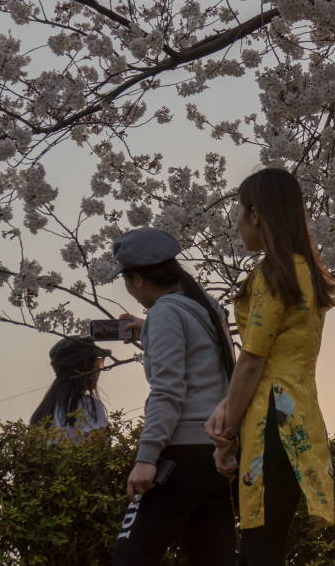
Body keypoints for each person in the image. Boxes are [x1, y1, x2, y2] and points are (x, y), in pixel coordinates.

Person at [206, 167, 335, 565]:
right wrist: (226, 408)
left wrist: (226, 431)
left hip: (269, 425)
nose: (237, 223)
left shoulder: (273, 275)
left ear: (256, 214)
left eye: (239, 212)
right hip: (301, 419)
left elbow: (252, 361)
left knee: (259, 549)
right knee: (268, 546)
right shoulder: (306, 272)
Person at [110, 227, 238, 566]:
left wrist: (146, 458)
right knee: (212, 558)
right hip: (215, 454)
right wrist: (148, 328)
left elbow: (167, 391)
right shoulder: (205, 305)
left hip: (178, 456)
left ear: (137, 279)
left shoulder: (166, 313)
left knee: (130, 556)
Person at [30, 336, 110, 441]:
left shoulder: (44, 411)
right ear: (85, 366)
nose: (100, 369)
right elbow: (99, 448)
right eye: (99, 363)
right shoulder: (90, 406)